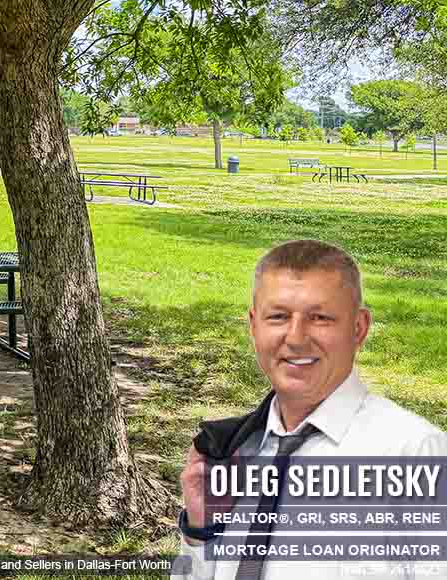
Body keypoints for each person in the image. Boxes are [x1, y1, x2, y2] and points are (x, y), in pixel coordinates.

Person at [172, 240, 447, 579]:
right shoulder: (232, 454)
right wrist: (201, 531)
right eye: (278, 316)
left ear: (358, 328)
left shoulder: (416, 454)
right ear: (254, 326)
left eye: (320, 318)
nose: (296, 338)